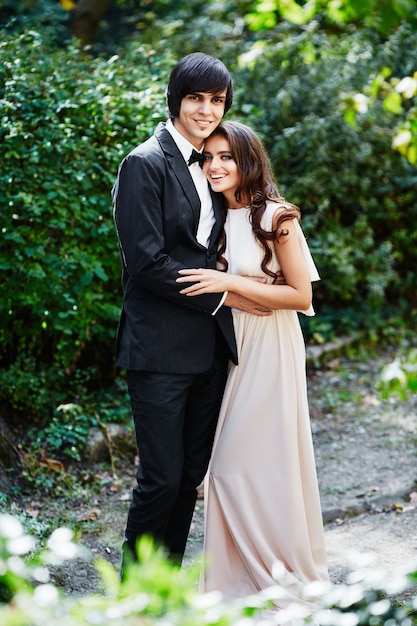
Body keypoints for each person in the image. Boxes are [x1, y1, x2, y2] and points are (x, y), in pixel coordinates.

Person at [112, 54, 270, 568]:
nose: (206, 110)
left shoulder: (216, 164)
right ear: (175, 100)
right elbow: (146, 262)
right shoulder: (144, 163)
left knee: (188, 477)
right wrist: (227, 295)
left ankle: (168, 588)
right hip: (158, 347)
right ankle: (132, 596)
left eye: (217, 101)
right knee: (159, 478)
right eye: (196, 98)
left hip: (209, 349)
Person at [177, 121, 329, 604]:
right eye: (209, 157)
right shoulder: (212, 215)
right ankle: (233, 582)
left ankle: (278, 578)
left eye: (227, 157)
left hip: (270, 347)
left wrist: (231, 285)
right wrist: (233, 295)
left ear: (249, 162)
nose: (216, 166)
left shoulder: (277, 218)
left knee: (244, 465)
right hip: (226, 346)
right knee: (230, 467)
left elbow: (300, 294)